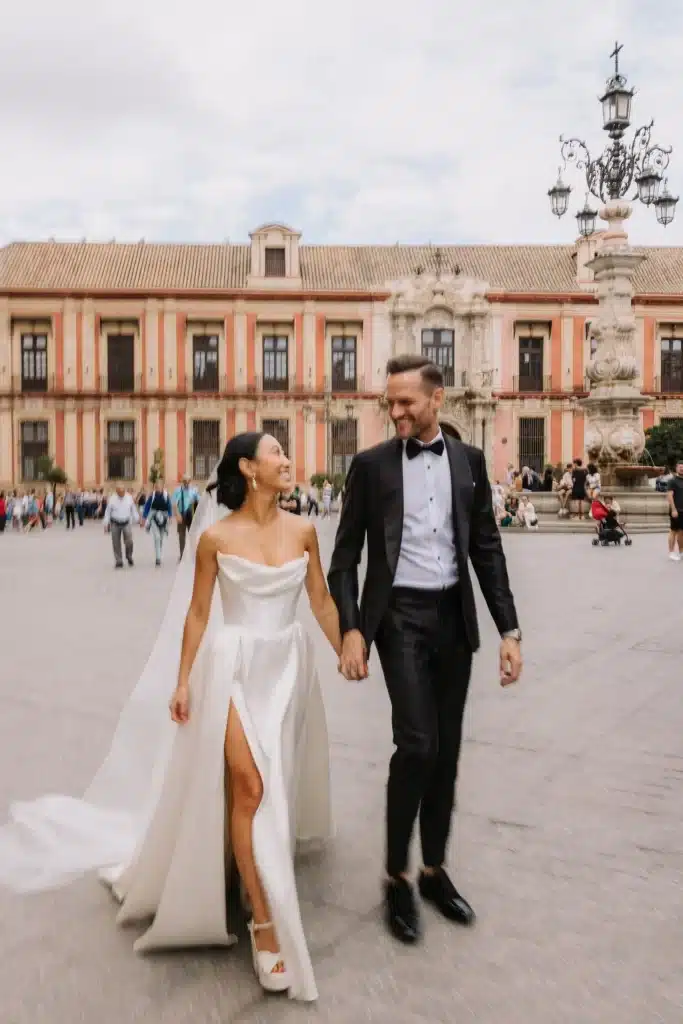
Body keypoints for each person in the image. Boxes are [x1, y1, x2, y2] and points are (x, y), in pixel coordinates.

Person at [0, 432, 337, 1003]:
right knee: (249, 785)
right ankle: (263, 921)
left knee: (268, 787)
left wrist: (348, 647)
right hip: (231, 667)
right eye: (276, 451)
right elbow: (199, 612)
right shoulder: (214, 538)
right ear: (249, 469)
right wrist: (183, 680)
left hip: (285, 668)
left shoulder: (304, 531)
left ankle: (243, 871)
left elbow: (322, 600)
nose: (288, 460)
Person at [328, 353, 522, 946]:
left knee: (447, 751)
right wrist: (352, 628)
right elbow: (345, 556)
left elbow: (486, 548)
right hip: (400, 619)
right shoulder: (372, 466)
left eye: (406, 401)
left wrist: (509, 632)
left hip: (453, 619)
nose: (396, 411)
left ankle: (434, 871)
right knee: (416, 743)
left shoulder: (469, 461)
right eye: (390, 401)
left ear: (437, 400)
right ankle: (396, 877)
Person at [103, 483, 139, 568]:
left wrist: (137, 519)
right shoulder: (112, 499)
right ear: (116, 491)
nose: (121, 493)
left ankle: (129, 555)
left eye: (123, 491)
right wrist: (106, 523)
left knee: (129, 541)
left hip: (126, 522)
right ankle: (119, 560)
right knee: (116, 542)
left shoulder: (129, 497)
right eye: (120, 492)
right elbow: (108, 512)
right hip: (115, 523)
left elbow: (133, 509)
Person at [142, 481, 173, 566]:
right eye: (156, 487)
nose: (158, 488)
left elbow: (169, 507)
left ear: (162, 487)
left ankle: (159, 553)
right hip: (153, 518)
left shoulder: (166, 496)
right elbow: (147, 507)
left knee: (161, 539)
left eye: (159, 487)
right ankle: (158, 558)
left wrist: (170, 517)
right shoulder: (152, 496)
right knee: (157, 537)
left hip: (164, 519)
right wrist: (144, 518)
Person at [173, 475, 200, 559]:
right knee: (182, 536)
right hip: (181, 515)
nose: (186, 483)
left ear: (190, 481)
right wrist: (177, 515)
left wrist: (197, 499)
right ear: (182, 482)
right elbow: (174, 504)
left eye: (188, 481)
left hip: (191, 516)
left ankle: (193, 554)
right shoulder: (178, 491)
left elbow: (199, 501)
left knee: (192, 535)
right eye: (185, 481)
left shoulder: (193, 491)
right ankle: (182, 554)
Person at [666, 460, 683, 562]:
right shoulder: (672, 481)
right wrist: (673, 509)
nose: (682, 468)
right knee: (673, 531)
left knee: (682, 532)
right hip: (676, 510)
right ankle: (671, 552)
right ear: (676, 468)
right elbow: (669, 495)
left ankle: (681, 551)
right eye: (680, 466)